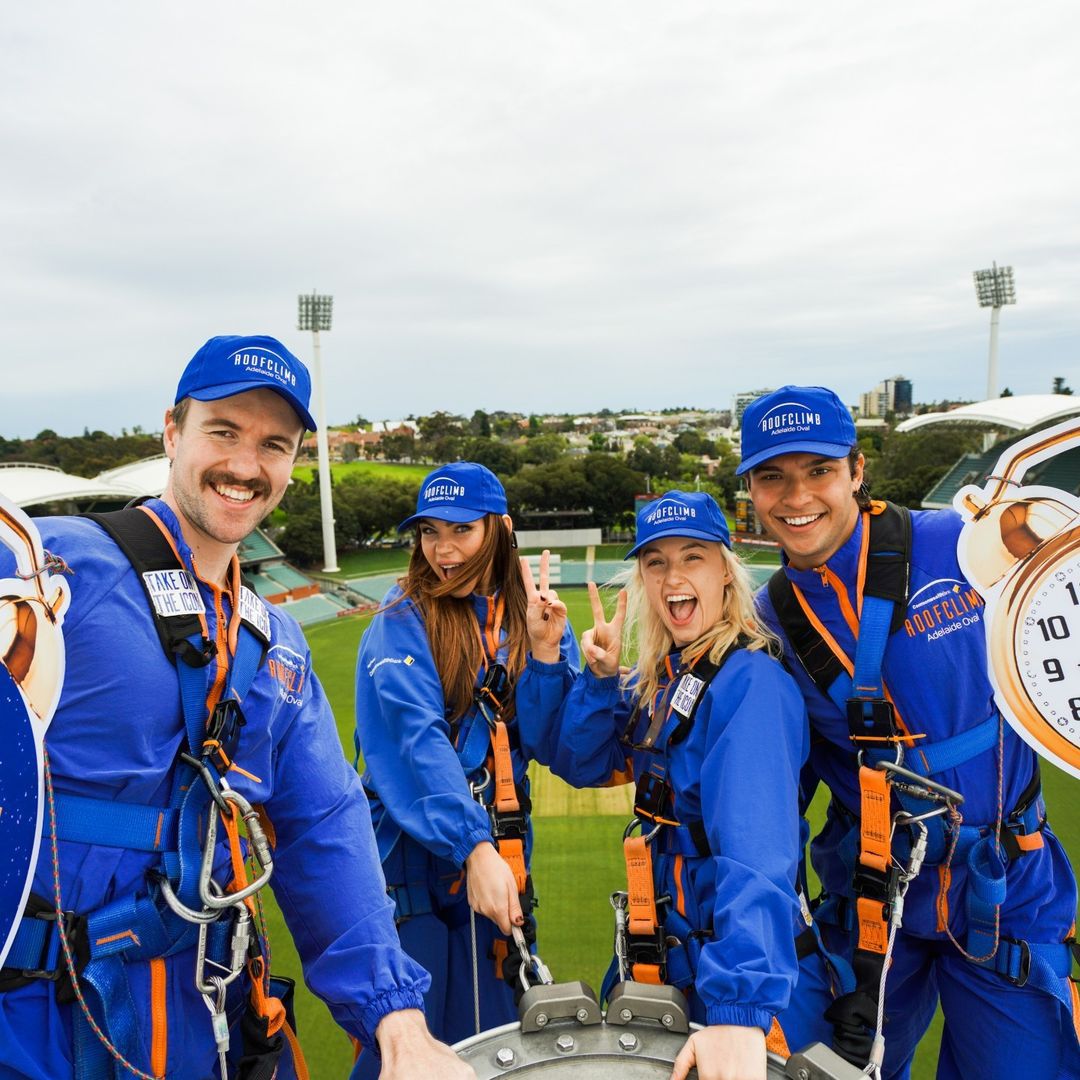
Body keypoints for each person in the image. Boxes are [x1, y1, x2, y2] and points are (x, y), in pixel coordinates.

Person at [0, 335, 473, 1080]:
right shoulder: (55, 572)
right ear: (171, 431)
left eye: (273, 445)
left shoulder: (273, 645)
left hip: (204, 1022)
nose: (246, 465)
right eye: (223, 432)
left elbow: (324, 828)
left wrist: (398, 1017)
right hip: (37, 1022)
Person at [739, 385, 1080, 1080]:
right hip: (873, 910)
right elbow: (765, 791)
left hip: (1005, 890)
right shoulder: (763, 625)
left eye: (818, 471)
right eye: (773, 476)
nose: (796, 495)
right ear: (750, 489)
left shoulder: (961, 548)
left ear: (857, 471)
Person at [531, 491, 836, 1080]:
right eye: (656, 562)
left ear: (726, 569)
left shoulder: (749, 684)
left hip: (728, 980)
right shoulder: (667, 678)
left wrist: (737, 1011)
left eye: (692, 556)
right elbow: (576, 759)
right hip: (665, 965)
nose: (673, 576)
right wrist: (591, 676)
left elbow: (755, 854)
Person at [352, 461, 579, 1066]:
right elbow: (413, 742)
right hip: (414, 863)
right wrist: (473, 846)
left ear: (500, 530)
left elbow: (559, 746)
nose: (443, 551)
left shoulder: (530, 615)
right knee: (408, 1047)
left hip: (500, 849)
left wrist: (552, 656)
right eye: (430, 532)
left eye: (461, 531)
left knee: (497, 1041)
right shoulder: (401, 618)